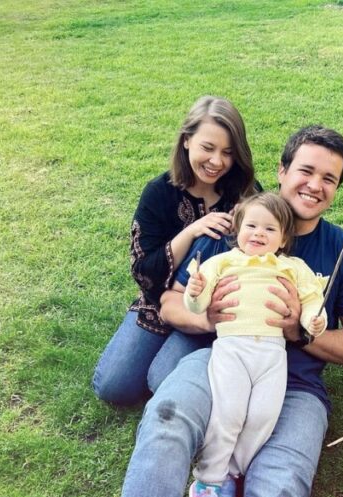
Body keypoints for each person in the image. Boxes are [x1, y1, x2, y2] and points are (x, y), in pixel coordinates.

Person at [57, 126, 343, 497]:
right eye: (306, 170)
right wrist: (209, 318)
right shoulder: (235, 228)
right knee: (164, 418)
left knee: (277, 494)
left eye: (330, 178)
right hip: (218, 360)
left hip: (294, 390)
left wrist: (300, 330)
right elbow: (168, 301)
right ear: (282, 171)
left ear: (337, 188)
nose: (315, 185)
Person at [92, 95, 257, 407]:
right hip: (159, 301)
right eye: (207, 148)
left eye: (228, 152)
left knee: (162, 377)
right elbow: (143, 271)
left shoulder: (245, 194)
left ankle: (191, 363)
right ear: (186, 141)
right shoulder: (159, 193)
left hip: (211, 307)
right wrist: (192, 230)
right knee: (113, 387)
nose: (217, 161)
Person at [182, 191, 326, 497]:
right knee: (228, 413)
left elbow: (310, 298)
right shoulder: (223, 263)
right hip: (232, 349)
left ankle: (230, 473)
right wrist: (196, 290)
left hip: (273, 354)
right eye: (252, 226)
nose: (259, 234)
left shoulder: (290, 267)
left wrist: (313, 319)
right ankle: (206, 483)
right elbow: (197, 306)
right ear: (237, 229)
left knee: (263, 416)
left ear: (283, 238)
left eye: (269, 229)